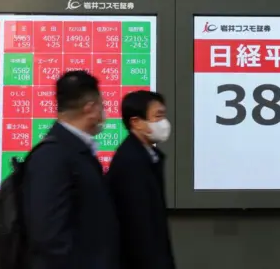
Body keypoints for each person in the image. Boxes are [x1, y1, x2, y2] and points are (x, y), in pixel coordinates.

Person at [22, 71, 119, 269]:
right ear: (90, 108)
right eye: (102, 105)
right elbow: (48, 235)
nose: (104, 112)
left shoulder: (76, 151)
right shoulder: (53, 156)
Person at [107, 90, 176, 269]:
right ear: (136, 122)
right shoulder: (130, 162)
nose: (164, 123)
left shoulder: (148, 156)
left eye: (164, 116)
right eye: (157, 116)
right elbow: (139, 227)